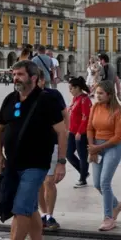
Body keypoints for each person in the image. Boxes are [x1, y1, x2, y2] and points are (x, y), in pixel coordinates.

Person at [0, 60, 67, 240]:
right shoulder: (9, 99)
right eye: (14, 74)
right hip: (13, 164)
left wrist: (61, 162)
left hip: (36, 165)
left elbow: (62, 132)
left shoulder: (46, 101)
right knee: (31, 209)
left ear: (33, 78)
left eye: (20, 74)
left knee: (21, 209)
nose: (15, 78)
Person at [87, 80, 121, 231]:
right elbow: (89, 128)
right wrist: (92, 146)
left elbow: (118, 136)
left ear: (110, 95)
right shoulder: (95, 107)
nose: (97, 96)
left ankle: (108, 218)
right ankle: (116, 204)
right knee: (97, 183)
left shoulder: (118, 111)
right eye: (96, 93)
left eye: (101, 93)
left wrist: (98, 147)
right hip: (96, 145)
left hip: (112, 147)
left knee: (104, 182)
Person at [36, 69, 69, 231]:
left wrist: (66, 132)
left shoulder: (53, 95)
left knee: (49, 181)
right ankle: (43, 214)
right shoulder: (26, 96)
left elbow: (65, 114)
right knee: (37, 182)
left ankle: (49, 215)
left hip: (52, 143)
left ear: (42, 80)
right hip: (33, 145)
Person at [67, 77, 93, 188]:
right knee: (68, 154)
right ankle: (84, 172)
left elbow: (85, 117)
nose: (70, 91)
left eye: (71, 88)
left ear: (77, 88)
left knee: (82, 155)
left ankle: (83, 179)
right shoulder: (75, 99)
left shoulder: (84, 100)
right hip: (72, 131)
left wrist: (80, 131)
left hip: (81, 132)